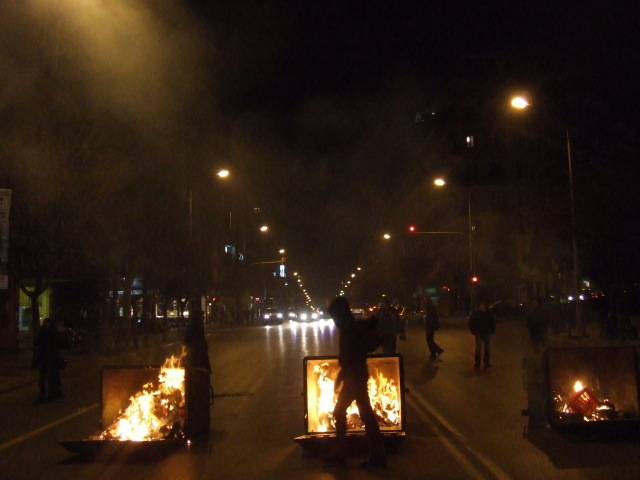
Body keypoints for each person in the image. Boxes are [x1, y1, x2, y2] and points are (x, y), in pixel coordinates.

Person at [326, 296, 387, 469]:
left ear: (340, 314)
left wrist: (344, 375)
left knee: (364, 414)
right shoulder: (349, 327)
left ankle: (376, 456)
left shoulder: (350, 329)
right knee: (345, 412)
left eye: (334, 316)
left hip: (356, 377)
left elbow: (352, 355)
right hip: (353, 376)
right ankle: (343, 453)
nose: (334, 320)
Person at [183, 309, 212, 442]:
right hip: (197, 363)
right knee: (197, 394)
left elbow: (188, 342)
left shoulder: (194, 327)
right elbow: (194, 346)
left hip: (196, 362)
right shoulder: (196, 328)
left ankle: (197, 422)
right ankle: (198, 423)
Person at [33, 317, 64, 403]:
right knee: (47, 378)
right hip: (47, 358)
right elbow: (37, 342)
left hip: (49, 358)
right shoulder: (48, 332)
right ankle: (48, 395)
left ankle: (50, 395)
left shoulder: (48, 332)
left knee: (49, 377)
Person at [468, 303, 496, 368]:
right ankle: (477, 362)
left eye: (483, 307)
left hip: (487, 333)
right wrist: (473, 331)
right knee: (478, 348)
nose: (482, 308)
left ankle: (486, 362)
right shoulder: (476, 315)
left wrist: (491, 331)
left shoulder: (489, 314)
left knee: (487, 348)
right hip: (479, 333)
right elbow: (471, 323)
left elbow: (493, 323)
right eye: (481, 307)